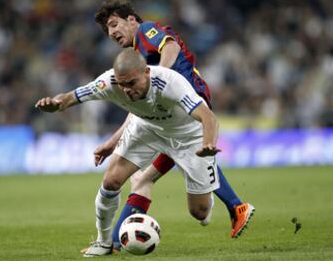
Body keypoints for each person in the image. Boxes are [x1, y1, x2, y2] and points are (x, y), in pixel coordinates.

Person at [91, 0, 254, 249]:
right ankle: (114, 242)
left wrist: (159, 77)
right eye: (107, 29)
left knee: (144, 178)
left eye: (114, 24)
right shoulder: (135, 62)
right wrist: (113, 142)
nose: (111, 32)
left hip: (187, 113)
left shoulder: (146, 32)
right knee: (145, 180)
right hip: (167, 120)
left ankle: (235, 205)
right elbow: (137, 112)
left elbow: (171, 47)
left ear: (132, 20)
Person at [36, 49, 222, 256]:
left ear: (146, 72)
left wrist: (208, 143)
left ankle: (206, 197)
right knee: (111, 180)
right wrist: (56, 104)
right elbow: (70, 97)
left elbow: (209, 117)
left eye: (132, 83)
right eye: (122, 84)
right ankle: (104, 242)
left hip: (188, 137)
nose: (126, 90)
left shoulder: (170, 83)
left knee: (199, 212)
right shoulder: (109, 82)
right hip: (147, 128)